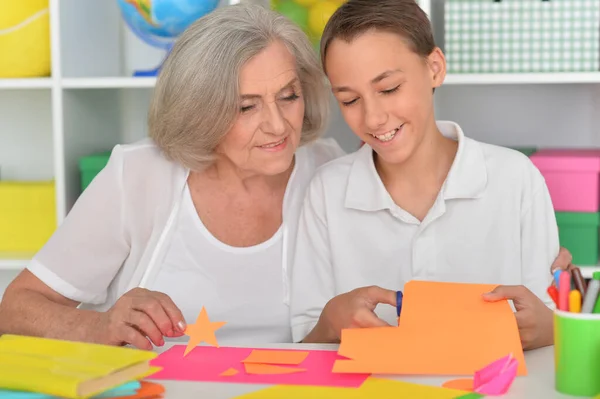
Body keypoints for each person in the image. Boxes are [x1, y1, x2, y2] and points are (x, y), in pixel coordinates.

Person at [0, 3, 344, 349]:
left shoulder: (330, 169)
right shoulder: (138, 175)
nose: (277, 125)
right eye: (245, 106)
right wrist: (98, 326)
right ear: (199, 110)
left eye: (289, 96)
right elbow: (15, 309)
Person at [290, 0, 567, 351]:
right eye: (349, 100)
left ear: (434, 68)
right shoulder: (326, 193)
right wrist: (329, 324)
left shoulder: (515, 179)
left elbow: (549, 322)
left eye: (389, 89)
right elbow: (304, 343)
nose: (373, 118)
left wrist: (552, 329)